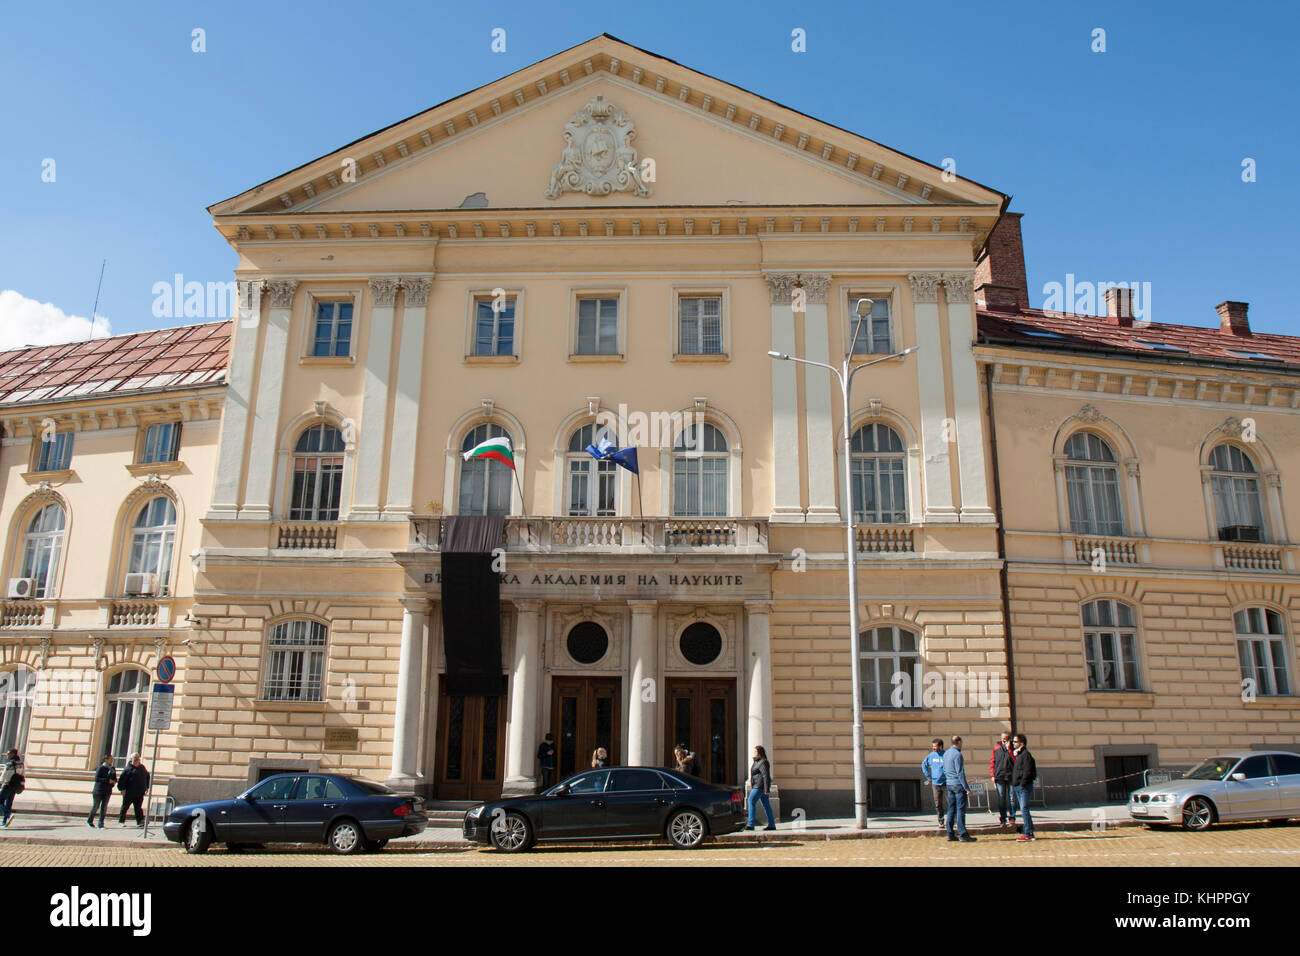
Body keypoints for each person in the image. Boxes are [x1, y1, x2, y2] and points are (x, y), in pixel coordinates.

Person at [942, 735, 975, 842]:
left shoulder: (946, 753)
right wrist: (967, 788)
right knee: (960, 810)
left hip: (949, 784)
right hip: (958, 785)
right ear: (959, 742)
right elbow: (960, 773)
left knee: (951, 809)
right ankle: (962, 834)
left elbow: (945, 769)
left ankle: (950, 833)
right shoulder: (957, 754)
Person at [1011, 733, 1037, 842]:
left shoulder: (1025, 755)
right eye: (1013, 741)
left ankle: (1028, 833)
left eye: (1015, 742)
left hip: (1024, 786)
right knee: (1024, 809)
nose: (1013, 743)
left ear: (1022, 743)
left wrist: (1022, 783)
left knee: (1024, 809)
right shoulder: (1019, 754)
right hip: (1018, 786)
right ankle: (1029, 831)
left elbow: (1027, 771)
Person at [989, 731, 1017, 828]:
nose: (1003, 740)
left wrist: (1009, 749)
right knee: (1001, 798)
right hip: (999, 776)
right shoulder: (997, 747)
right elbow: (993, 761)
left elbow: (1015, 760)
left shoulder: (1013, 748)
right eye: (1002, 738)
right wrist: (992, 775)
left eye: (1005, 738)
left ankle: (1012, 817)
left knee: (1012, 798)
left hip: (1011, 776)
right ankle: (1003, 819)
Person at [746, 745, 776, 831]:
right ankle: (772, 825)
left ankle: (750, 824)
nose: (754, 753)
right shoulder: (757, 762)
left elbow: (766, 776)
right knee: (766, 805)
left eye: (755, 752)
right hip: (758, 786)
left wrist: (767, 789)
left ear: (760, 753)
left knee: (751, 801)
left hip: (759, 787)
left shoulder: (763, 762)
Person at [117, 753, 150, 827]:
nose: (136, 760)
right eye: (135, 758)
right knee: (125, 807)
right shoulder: (127, 769)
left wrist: (147, 787)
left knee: (138, 808)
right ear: (131, 759)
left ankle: (140, 822)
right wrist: (122, 789)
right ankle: (121, 821)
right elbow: (122, 780)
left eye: (138, 758)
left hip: (139, 792)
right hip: (129, 792)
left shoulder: (142, 768)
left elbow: (147, 776)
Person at [921, 737, 947, 830]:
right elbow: (923, 765)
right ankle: (941, 821)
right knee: (938, 803)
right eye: (933, 746)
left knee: (951, 801)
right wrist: (928, 776)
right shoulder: (931, 756)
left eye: (935, 746)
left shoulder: (946, 755)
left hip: (946, 782)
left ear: (940, 746)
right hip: (935, 783)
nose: (933, 748)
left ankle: (953, 820)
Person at [88, 754, 117, 828]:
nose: (112, 761)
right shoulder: (101, 768)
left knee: (104, 808)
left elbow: (115, 778)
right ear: (105, 759)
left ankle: (101, 823)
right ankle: (90, 821)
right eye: (110, 759)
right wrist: (108, 781)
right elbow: (97, 779)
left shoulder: (112, 768)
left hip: (107, 791)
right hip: (99, 790)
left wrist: (113, 781)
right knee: (96, 806)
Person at [0, 748, 24, 827]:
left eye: (8, 754)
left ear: (13, 754)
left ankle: (7, 813)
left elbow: (4, 775)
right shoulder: (20, 763)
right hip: (15, 785)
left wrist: (1, 783)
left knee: (0, 801)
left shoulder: (9, 764)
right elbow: (22, 774)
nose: (7, 755)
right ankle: (5, 822)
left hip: (7, 785)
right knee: (9, 803)